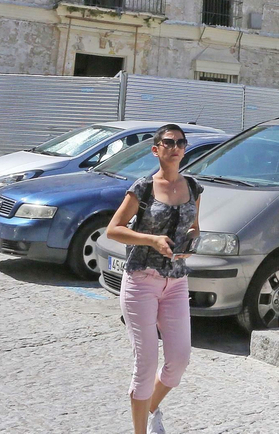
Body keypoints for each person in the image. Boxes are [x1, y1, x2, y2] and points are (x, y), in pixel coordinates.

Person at [106, 123, 203, 434]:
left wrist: (191, 242)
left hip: (176, 282)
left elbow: (195, 226)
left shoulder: (193, 187)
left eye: (180, 142)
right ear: (156, 149)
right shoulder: (143, 188)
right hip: (140, 281)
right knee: (146, 364)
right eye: (169, 142)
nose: (175, 147)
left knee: (179, 361)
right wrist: (151, 240)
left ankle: (149, 408)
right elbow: (114, 229)